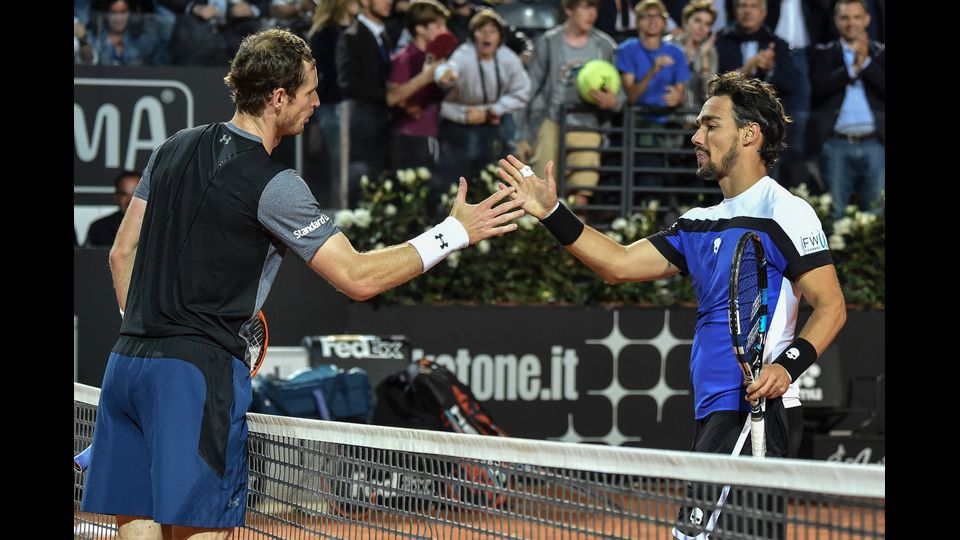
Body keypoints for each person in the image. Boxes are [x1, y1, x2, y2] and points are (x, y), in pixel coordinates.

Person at [80, 28, 524, 540]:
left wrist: (151, 327)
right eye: (310, 90)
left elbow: (121, 254)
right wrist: (453, 233)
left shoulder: (172, 147)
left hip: (127, 364)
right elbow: (357, 278)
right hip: (195, 376)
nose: (317, 101)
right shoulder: (277, 185)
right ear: (278, 98)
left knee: (135, 522)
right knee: (200, 530)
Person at [496, 71, 845, 536]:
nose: (696, 136)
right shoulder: (698, 222)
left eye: (709, 124)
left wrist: (786, 368)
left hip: (753, 412)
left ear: (748, 133)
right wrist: (552, 214)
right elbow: (618, 264)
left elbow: (831, 307)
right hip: (714, 410)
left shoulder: (785, 211)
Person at [809, 0, 884, 220]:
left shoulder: (880, 53)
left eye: (856, 17)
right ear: (836, 21)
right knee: (836, 212)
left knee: (876, 213)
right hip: (836, 144)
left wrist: (867, 63)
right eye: (845, 18)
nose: (851, 23)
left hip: (875, 143)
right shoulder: (823, 53)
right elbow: (820, 88)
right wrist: (853, 68)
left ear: (867, 20)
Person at [85, 170, 141, 247]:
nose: (130, 201)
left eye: (136, 194)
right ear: (116, 197)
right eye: (124, 194)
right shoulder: (99, 228)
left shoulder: (158, 227)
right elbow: (86, 257)